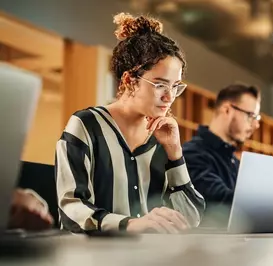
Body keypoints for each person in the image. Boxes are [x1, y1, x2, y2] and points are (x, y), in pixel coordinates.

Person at [55, 13, 205, 234]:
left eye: (175, 87)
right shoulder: (86, 125)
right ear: (129, 80)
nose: (170, 97)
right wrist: (130, 224)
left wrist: (175, 153)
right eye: (160, 85)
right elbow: (72, 211)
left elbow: (192, 219)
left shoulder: (162, 137)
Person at [183, 84, 273, 228]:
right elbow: (220, 203)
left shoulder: (234, 163)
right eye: (250, 116)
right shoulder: (191, 154)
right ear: (227, 110)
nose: (256, 125)